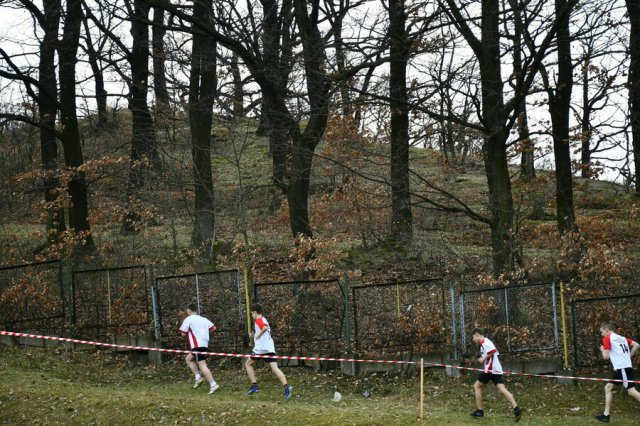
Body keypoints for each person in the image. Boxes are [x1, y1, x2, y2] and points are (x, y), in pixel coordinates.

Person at [470, 328, 521, 422]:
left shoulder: (485, 342)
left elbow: (493, 350)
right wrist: (484, 358)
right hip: (496, 370)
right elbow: (491, 353)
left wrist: (483, 358)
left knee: (477, 386)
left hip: (489, 370)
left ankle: (479, 411)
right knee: (502, 390)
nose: (473, 340)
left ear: (477, 334)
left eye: (473, 337)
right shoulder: (485, 343)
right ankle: (516, 408)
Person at [595, 322, 640, 423]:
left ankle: (606, 415)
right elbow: (636, 345)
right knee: (608, 387)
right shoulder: (621, 338)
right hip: (624, 368)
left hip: (623, 368)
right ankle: (606, 415)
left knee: (632, 392)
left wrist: (602, 349)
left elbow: (606, 356)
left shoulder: (607, 338)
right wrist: (628, 357)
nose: (601, 334)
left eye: (602, 332)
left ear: (606, 329)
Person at [245, 304, 292, 400]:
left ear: (255, 312)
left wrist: (257, 336)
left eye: (252, 314)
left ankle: (255, 386)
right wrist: (253, 335)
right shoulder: (264, 319)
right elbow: (264, 330)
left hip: (261, 349)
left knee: (247, 364)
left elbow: (264, 328)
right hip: (269, 348)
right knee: (275, 368)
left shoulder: (258, 320)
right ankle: (287, 387)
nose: (252, 316)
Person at [179, 303, 220, 394]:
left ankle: (213, 384)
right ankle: (198, 377)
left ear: (189, 310)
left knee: (202, 365)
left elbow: (183, 333)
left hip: (197, 345)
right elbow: (213, 328)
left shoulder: (188, 319)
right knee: (188, 359)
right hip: (204, 344)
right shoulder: (204, 319)